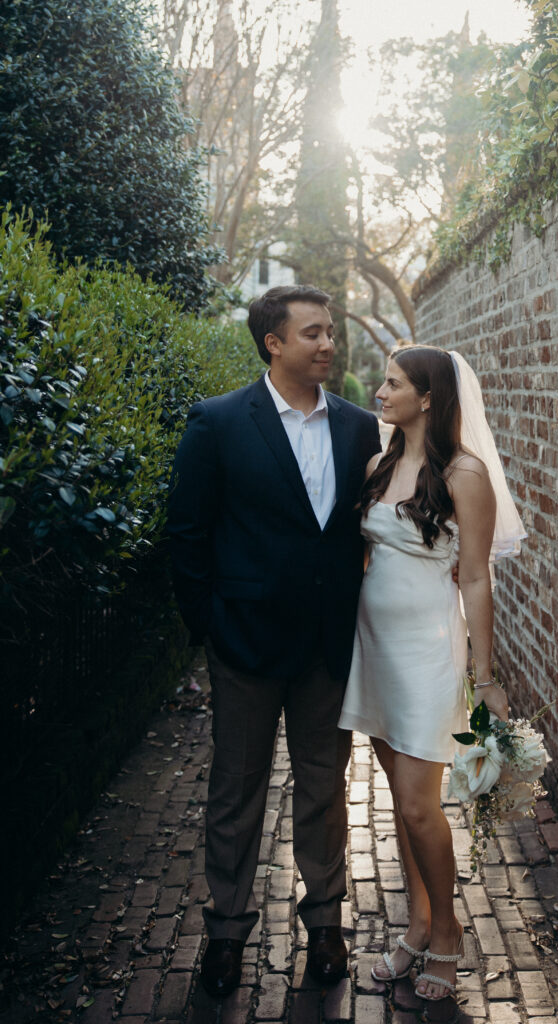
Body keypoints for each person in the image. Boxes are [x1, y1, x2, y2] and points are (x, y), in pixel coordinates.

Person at [166, 285, 381, 998]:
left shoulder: (358, 428)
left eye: (331, 332)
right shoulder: (219, 422)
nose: (328, 344)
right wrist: (211, 628)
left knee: (324, 793)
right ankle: (226, 933)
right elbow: (187, 536)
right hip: (245, 647)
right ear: (274, 343)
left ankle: (324, 925)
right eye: (313, 333)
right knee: (235, 794)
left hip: (326, 647)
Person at [338, 344, 526, 1002]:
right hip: (374, 647)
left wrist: (487, 674)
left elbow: (474, 576)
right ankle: (416, 925)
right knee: (400, 800)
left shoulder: (464, 474)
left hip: (426, 651)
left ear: (426, 398)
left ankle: (446, 933)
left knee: (422, 809)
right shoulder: (377, 463)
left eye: (391, 384)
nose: (379, 393)